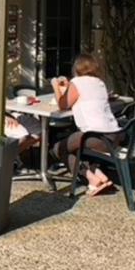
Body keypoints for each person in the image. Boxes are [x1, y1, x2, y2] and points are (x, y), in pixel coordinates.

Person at [51, 53, 122, 196]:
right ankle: (100, 177)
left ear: (76, 68)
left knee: (59, 149)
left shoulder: (77, 82)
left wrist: (55, 87)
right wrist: (67, 89)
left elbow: (63, 105)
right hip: (115, 134)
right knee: (77, 146)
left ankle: (91, 179)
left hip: (96, 136)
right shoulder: (99, 82)